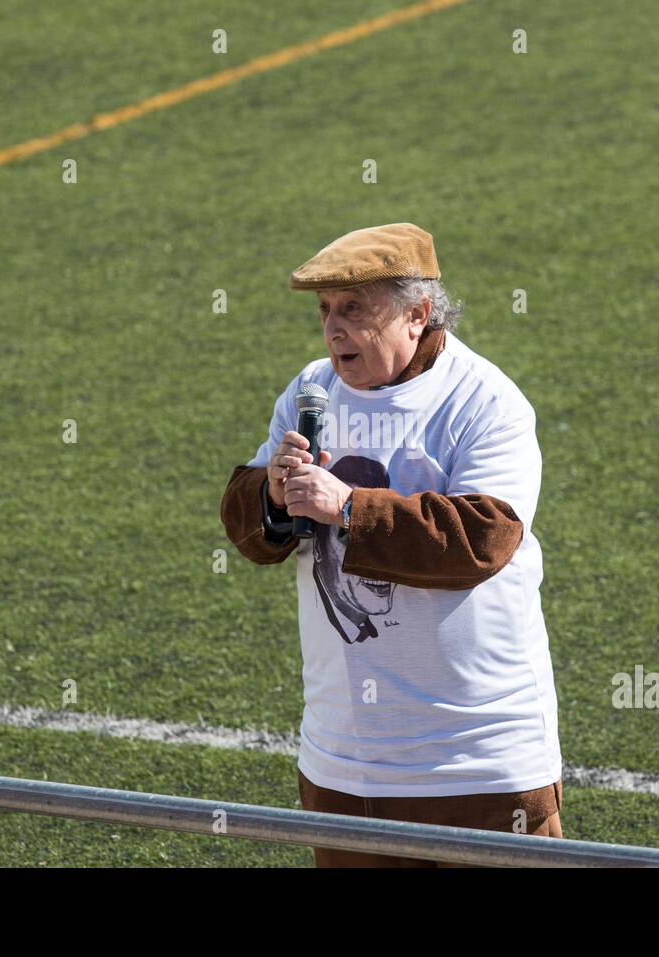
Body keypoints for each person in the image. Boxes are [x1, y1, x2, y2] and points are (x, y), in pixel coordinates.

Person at [220, 223, 562, 866]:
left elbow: (483, 539)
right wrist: (272, 492)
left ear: (418, 313)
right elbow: (251, 529)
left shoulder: (483, 401)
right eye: (325, 311)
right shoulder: (308, 392)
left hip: (480, 760)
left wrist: (347, 507)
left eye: (354, 309)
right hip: (345, 761)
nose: (333, 329)